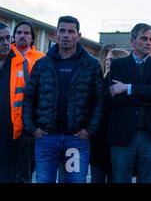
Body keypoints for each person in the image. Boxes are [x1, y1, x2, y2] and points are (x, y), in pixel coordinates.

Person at [23, 16, 104, 183]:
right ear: (55, 35)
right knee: (44, 180)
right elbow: (29, 98)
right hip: (46, 138)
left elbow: (99, 100)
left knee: (74, 181)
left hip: (76, 139)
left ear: (78, 35)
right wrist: (32, 128)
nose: (66, 35)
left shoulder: (91, 64)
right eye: (62, 31)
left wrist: (90, 130)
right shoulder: (42, 64)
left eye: (71, 31)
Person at [108, 23, 151, 183]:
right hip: (123, 133)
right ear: (132, 42)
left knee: (149, 179)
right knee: (120, 178)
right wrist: (147, 94)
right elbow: (117, 96)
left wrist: (127, 87)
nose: (149, 42)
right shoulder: (118, 64)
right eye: (144, 38)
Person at [11, 21, 45, 183]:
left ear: (32, 38)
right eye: (19, 33)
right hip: (7, 119)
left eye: (26, 33)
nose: (22, 36)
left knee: (26, 168)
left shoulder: (41, 58)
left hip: (30, 121)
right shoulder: (5, 54)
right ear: (13, 36)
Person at [90, 49, 129, 183]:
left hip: (118, 142)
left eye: (111, 59)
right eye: (107, 59)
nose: (107, 62)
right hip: (99, 142)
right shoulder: (99, 82)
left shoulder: (126, 87)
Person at [0, 22, 32, 182]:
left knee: (7, 176)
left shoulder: (21, 63)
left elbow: (28, 97)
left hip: (11, 133)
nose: (5, 43)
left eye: (7, 38)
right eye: (0, 39)